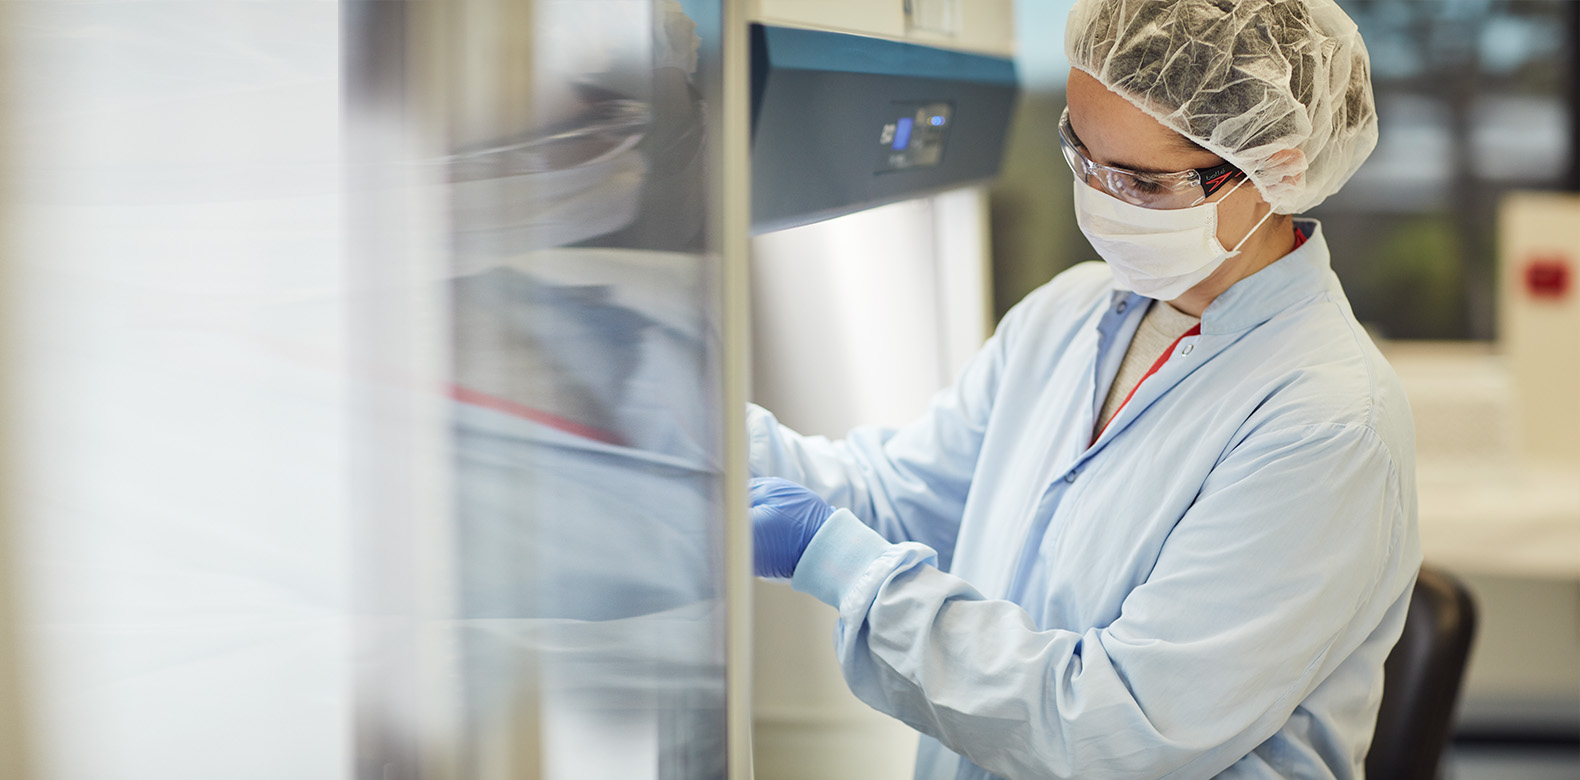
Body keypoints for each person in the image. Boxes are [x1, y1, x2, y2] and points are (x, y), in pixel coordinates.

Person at [746, 1, 1419, 778]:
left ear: (1281, 164)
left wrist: (831, 558)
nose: (1102, 200)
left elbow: (1111, 730)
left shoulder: (1327, 424)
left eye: (1142, 182)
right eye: (1083, 155)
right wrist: (715, 440)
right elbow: (907, 499)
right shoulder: (1072, 312)